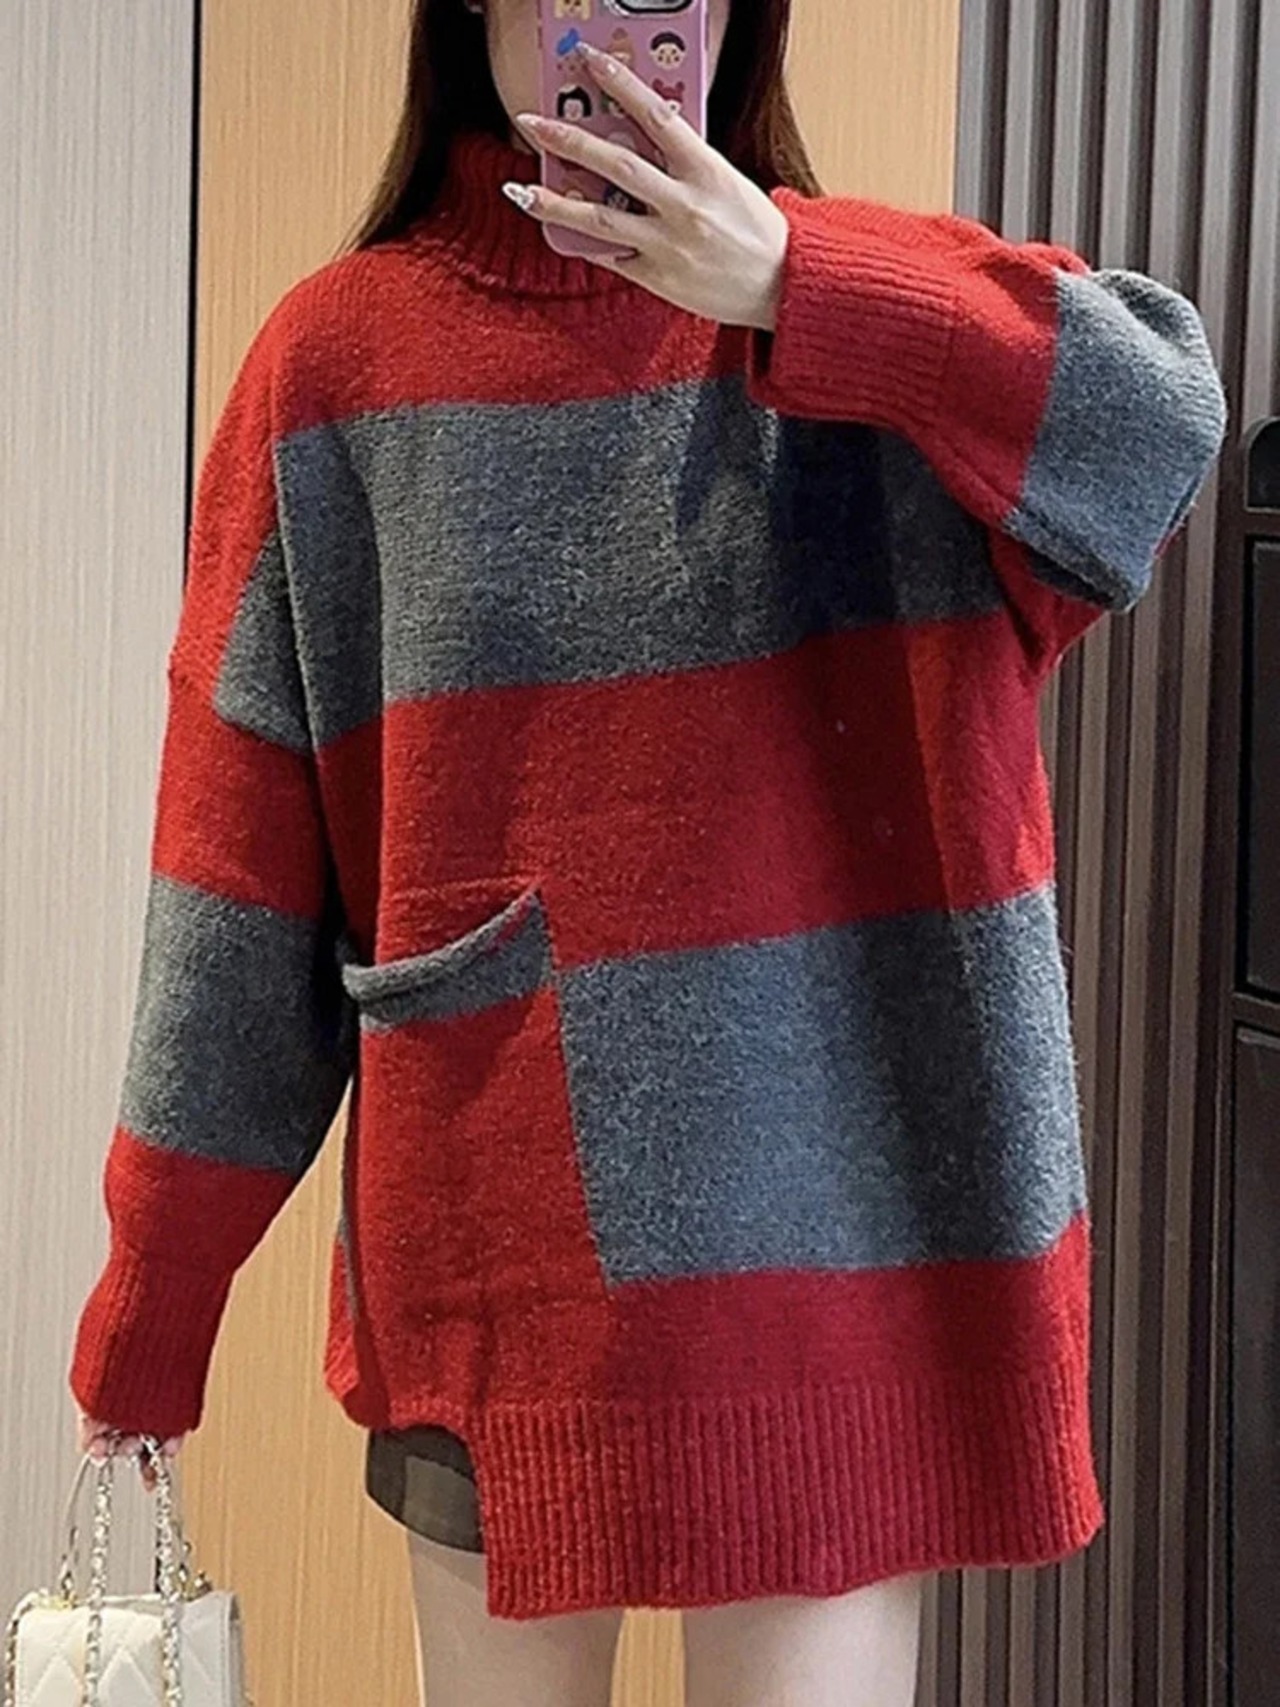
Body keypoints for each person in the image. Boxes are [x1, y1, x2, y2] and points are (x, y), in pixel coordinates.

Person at [69, 0, 1229, 1702]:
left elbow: (1159, 429)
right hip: (504, 1279)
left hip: (848, 1274)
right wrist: (154, 1307)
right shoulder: (337, 366)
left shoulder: (872, 328)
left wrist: (797, 284)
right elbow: (237, 894)